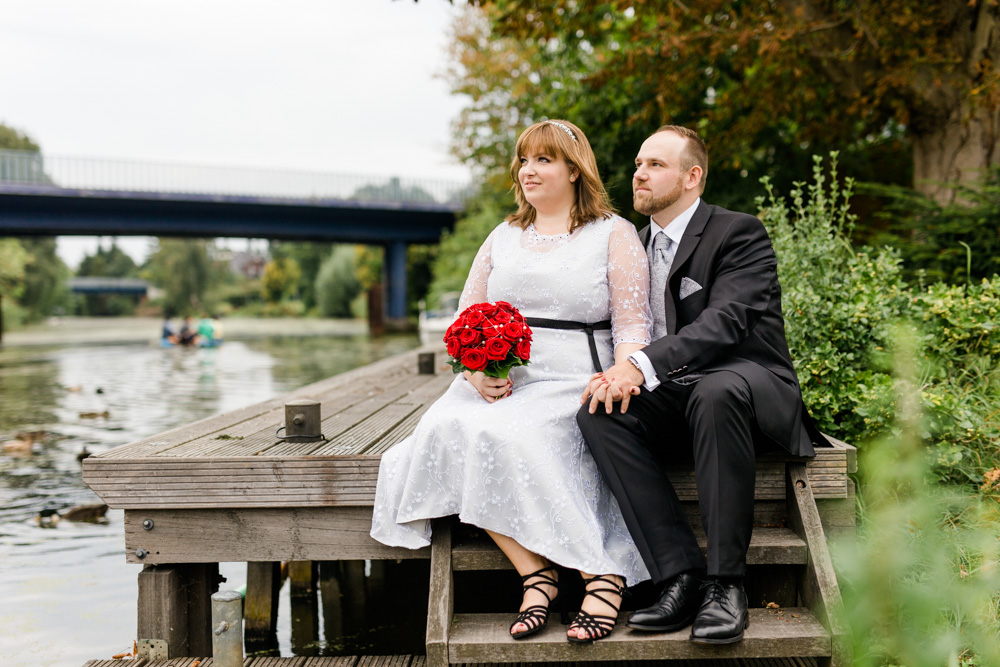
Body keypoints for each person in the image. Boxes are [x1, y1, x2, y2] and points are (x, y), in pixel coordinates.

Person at [371, 120, 653, 642]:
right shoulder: (504, 235)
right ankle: (535, 572)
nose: (529, 170)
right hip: (501, 379)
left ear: (574, 169)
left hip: (576, 377)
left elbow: (634, 325)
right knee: (442, 432)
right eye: (524, 160)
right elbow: (465, 315)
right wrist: (474, 370)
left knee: (508, 435)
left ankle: (601, 574)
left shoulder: (612, 233)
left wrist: (624, 371)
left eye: (543, 160)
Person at [577, 125, 825, 645]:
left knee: (716, 392)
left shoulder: (738, 232)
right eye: (639, 163)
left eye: (656, 165)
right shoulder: (632, 245)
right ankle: (680, 575)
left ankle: (727, 584)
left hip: (748, 391)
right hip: (679, 399)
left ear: (693, 177)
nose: (639, 173)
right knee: (600, 410)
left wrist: (640, 366)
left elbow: (726, 323)